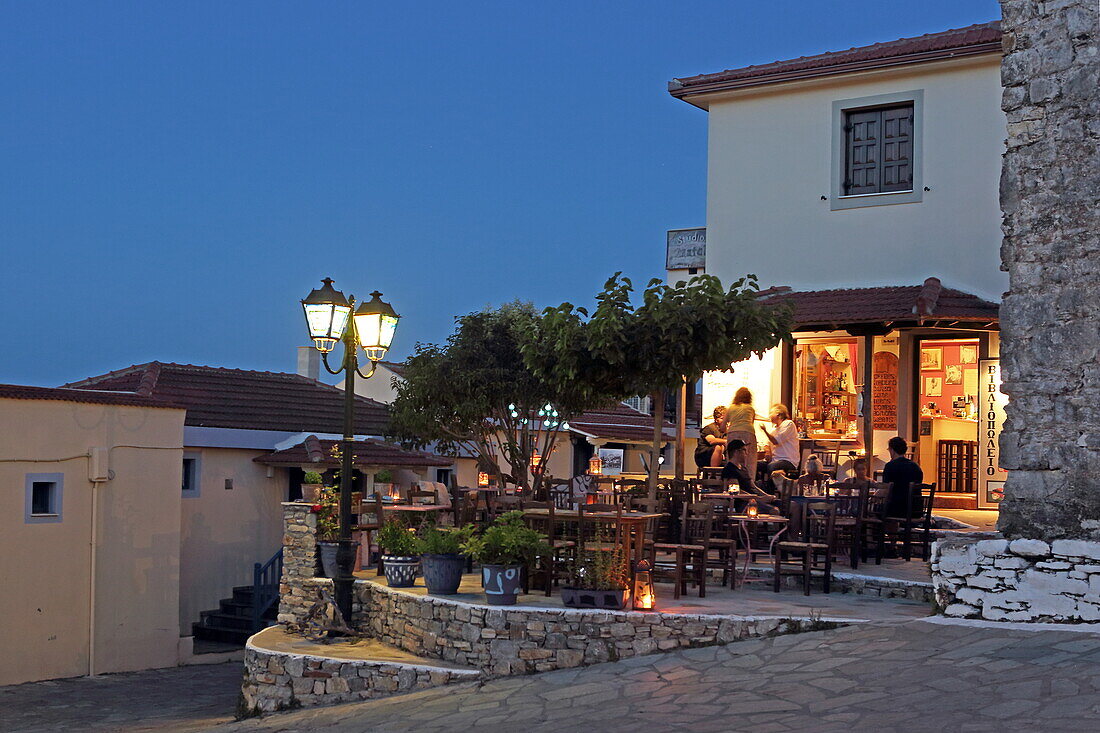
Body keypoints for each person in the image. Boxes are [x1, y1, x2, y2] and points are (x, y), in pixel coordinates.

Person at [721, 439, 779, 514]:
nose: (747, 453)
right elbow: (736, 491)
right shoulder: (729, 469)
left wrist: (767, 496)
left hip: (756, 499)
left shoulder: (743, 468)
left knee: (793, 506)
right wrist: (759, 499)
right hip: (744, 503)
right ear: (736, 452)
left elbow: (753, 486)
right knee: (774, 510)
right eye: (744, 450)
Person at [882, 436, 924, 518]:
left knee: (873, 511)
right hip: (915, 509)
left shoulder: (890, 466)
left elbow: (886, 489)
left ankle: (889, 530)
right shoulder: (915, 466)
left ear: (892, 450)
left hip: (897, 510)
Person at [759, 403, 799, 477]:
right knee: (755, 465)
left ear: (778, 414)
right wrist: (768, 451)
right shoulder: (774, 429)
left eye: (771, 413)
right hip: (775, 460)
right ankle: (758, 486)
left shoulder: (788, 424)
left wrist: (764, 430)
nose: (769, 416)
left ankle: (769, 488)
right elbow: (767, 443)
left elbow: (775, 441)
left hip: (788, 461)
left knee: (772, 466)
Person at [724, 387, 760, 462]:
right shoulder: (750, 409)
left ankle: (733, 473)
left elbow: (722, 427)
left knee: (732, 458)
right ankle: (749, 473)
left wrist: (728, 430)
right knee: (749, 459)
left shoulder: (730, 408)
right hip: (748, 433)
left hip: (733, 433)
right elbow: (751, 423)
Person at [694, 405, 728, 470]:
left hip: (721, 456)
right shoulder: (709, 428)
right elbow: (712, 441)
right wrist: (726, 441)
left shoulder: (726, 430)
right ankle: (713, 472)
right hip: (704, 456)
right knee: (719, 447)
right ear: (716, 419)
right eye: (722, 418)